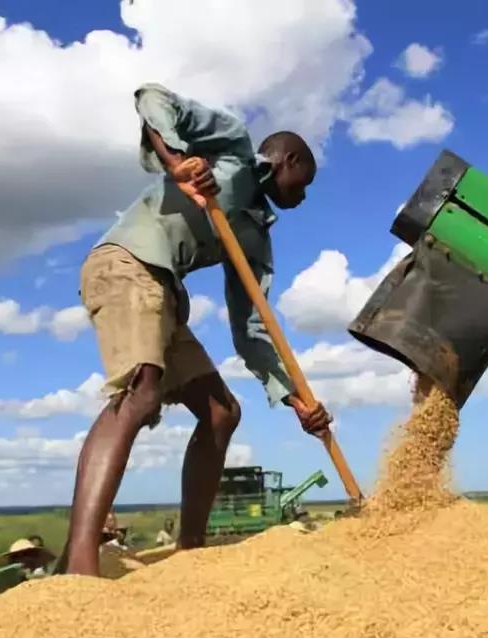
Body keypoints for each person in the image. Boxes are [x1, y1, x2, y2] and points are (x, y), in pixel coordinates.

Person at [57, 83, 332, 576]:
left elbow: (252, 330)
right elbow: (152, 99)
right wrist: (177, 161)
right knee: (141, 391)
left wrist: (297, 401)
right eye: (304, 183)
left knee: (222, 412)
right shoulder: (233, 147)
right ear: (288, 160)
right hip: (127, 264)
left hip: (164, 293)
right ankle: (79, 565)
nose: (305, 196)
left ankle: (191, 551)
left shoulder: (254, 237)